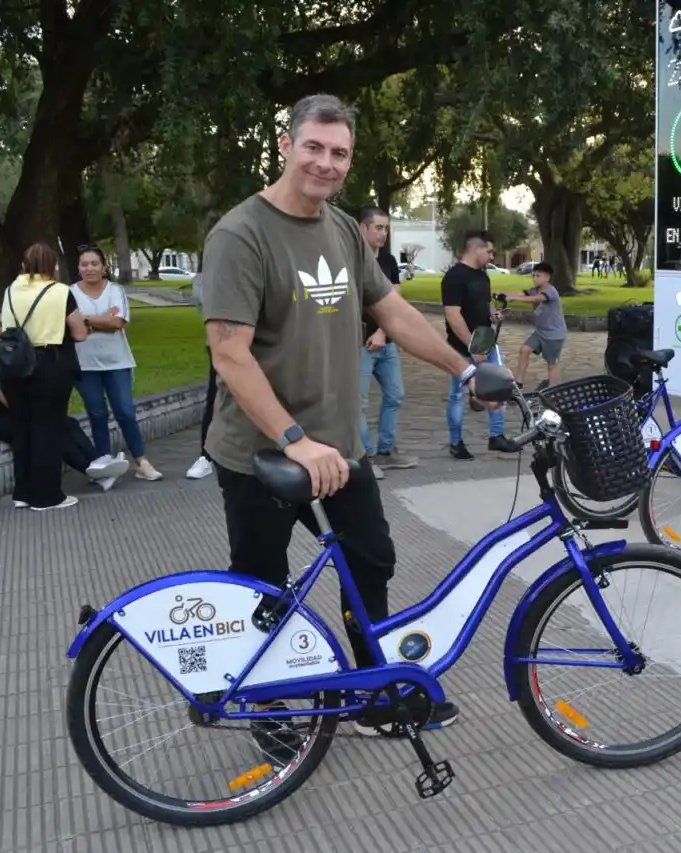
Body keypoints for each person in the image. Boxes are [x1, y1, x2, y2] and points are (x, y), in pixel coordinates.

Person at [200, 93, 494, 747]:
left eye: (339, 153)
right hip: (262, 454)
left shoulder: (340, 231)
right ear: (285, 145)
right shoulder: (240, 235)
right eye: (314, 147)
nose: (326, 163)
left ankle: (373, 695)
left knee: (371, 561)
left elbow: (393, 313)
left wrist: (466, 370)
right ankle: (266, 709)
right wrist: (295, 440)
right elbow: (230, 354)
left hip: (339, 448)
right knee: (261, 582)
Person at [0, 309, 128, 495]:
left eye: (4, 324)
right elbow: (0, 393)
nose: (3, 329)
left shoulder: (6, 351)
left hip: (11, 411)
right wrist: (27, 412)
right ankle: (95, 471)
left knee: (66, 422)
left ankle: (98, 463)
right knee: (48, 428)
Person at [0, 243, 90, 510]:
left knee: (22, 428)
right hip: (49, 365)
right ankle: (47, 495)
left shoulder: (10, 290)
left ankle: (23, 492)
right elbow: (79, 333)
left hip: (12, 365)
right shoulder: (60, 292)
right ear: (53, 265)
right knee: (47, 429)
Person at [71, 245, 163, 482]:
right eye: (84, 264)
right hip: (84, 364)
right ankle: (104, 465)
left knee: (125, 411)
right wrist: (103, 319)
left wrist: (87, 320)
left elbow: (118, 323)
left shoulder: (115, 290)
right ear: (78, 268)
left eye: (94, 263)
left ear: (104, 267)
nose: (89, 268)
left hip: (117, 362)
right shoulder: (69, 294)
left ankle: (141, 462)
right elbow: (73, 328)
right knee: (97, 414)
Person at [442, 230, 519, 460]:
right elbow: (453, 317)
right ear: (476, 249)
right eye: (489, 251)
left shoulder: (483, 276)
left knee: (502, 386)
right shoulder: (454, 277)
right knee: (458, 395)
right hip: (461, 347)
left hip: (487, 343)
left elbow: (482, 309)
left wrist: (493, 317)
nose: (492, 256)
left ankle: (497, 436)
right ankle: (456, 443)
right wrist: (472, 347)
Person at [356, 205, 418, 479]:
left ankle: (385, 450)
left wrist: (383, 331)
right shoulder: (350, 261)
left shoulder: (389, 261)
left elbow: (395, 300)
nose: (383, 233)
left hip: (386, 341)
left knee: (395, 395)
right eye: (378, 227)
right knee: (360, 403)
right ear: (363, 229)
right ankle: (365, 456)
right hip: (359, 344)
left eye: (386, 228)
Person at [500, 261, 567, 388]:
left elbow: (537, 299)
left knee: (551, 364)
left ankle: (553, 391)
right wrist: (504, 296)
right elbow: (522, 294)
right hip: (541, 332)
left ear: (547, 277)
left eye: (538, 276)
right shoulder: (534, 290)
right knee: (524, 350)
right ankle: (518, 384)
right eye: (533, 275)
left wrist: (515, 299)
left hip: (554, 334)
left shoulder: (550, 291)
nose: (535, 278)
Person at [185, 270, 217, 479]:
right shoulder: (205, 279)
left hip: (266, 348)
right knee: (215, 400)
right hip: (223, 347)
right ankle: (207, 456)